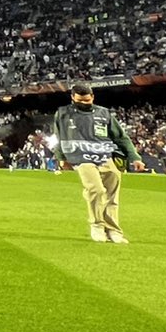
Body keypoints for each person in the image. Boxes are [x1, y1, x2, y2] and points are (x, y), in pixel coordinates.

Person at [48, 83, 140, 243]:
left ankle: (113, 230)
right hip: (80, 157)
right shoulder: (63, 114)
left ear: (92, 97)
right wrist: (61, 158)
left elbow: (120, 137)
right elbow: (58, 136)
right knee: (96, 189)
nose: (84, 103)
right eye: (79, 101)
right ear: (72, 98)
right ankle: (97, 225)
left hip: (105, 155)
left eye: (87, 100)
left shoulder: (103, 113)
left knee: (112, 194)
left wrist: (134, 157)